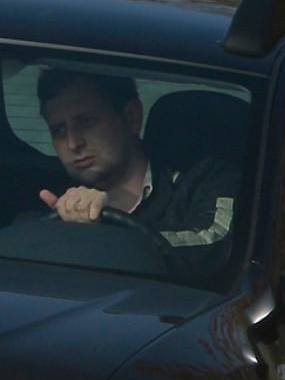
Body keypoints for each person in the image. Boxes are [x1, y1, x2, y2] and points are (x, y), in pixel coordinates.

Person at [34, 69, 241, 273]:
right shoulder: (47, 198)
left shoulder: (205, 179)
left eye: (86, 121)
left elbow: (217, 244)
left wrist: (102, 234)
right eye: (58, 130)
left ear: (132, 117)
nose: (73, 143)